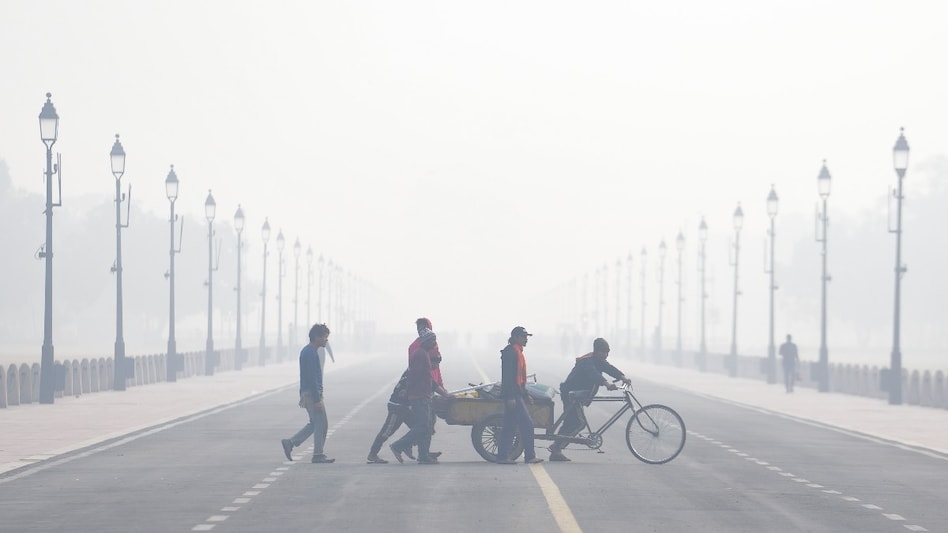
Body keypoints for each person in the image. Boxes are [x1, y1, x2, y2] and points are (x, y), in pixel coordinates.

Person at [549, 338, 631, 462]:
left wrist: (623, 377)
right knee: (578, 423)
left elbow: (610, 369)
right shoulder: (587, 361)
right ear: (596, 351)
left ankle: (556, 448)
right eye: (603, 352)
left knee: (570, 422)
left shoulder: (599, 361)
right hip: (571, 395)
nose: (605, 355)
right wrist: (606, 384)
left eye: (607, 352)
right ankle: (556, 447)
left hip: (576, 395)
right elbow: (593, 374)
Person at [389, 329, 450, 464]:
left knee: (426, 426)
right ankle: (398, 446)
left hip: (423, 394)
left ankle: (423, 455)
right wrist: (444, 394)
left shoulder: (423, 354)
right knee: (423, 425)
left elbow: (427, 379)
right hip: (419, 396)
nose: (434, 343)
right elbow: (418, 377)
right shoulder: (420, 355)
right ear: (425, 341)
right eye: (432, 340)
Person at [281, 323, 335, 463]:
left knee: (317, 423)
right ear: (317, 337)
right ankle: (317, 454)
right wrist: (317, 399)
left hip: (311, 393)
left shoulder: (309, 351)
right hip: (312, 394)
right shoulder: (310, 353)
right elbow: (311, 378)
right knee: (320, 424)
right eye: (325, 337)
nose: (326, 340)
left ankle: (290, 443)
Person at [496, 326, 544, 465]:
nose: (526, 339)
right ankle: (529, 456)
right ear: (515, 337)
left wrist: (525, 394)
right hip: (513, 395)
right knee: (527, 425)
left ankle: (503, 456)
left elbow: (519, 378)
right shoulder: (511, 352)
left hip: (517, 393)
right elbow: (508, 377)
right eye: (523, 337)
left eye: (526, 337)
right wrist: (511, 397)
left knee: (509, 426)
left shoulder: (517, 351)